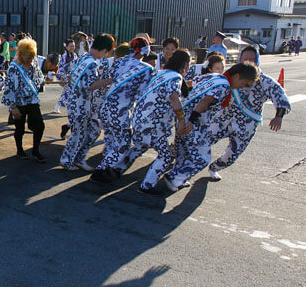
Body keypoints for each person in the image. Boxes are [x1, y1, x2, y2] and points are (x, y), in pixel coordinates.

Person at [163, 62, 259, 192]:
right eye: (245, 83)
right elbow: (206, 101)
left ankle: (177, 178)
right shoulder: (224, 86)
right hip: (194, 121)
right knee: (203, 157)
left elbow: (190, 83)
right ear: (237, 76)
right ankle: (175, 178)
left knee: (183, 151)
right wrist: (191, 120)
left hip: (182, 115)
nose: (243, 87)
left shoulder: (214, 77)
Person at [207, 46, 290, 180]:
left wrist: (278, 116)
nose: (249, 62)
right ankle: (185, 169)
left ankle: (214, 168)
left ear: (257, 61)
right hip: (224, 118)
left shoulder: (265, 81)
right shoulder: (232, 74)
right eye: (245, 59)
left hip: (247, 125)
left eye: (252, 59)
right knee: (202, 142)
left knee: (231, 157)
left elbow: (280, 97)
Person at [123, 50, 193, 195]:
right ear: (185, 64)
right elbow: (175, 99)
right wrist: (181, 122)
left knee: (139, 146)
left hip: (139, 119)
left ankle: (116, 168)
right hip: (153, 124)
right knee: (166, 156)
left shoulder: (161, 73)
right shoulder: (175, 77)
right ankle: (146, 186)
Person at [91, 37, 154, 184]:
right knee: (123, 144)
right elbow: (141, 94)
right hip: (121, 110)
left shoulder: (119, 61)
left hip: (107, 106)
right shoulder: (146, 69)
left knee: (111, 139)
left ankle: (108, 167)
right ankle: (101, 170)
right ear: (145, 51)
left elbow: (110, 79)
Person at [60, 33, 115, 171]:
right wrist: (109, 81)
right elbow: (90, 85)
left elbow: (65, 69)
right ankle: (67, 160)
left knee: (94, 129)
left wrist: (67, 82)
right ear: (104, 50)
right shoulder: (91, 63)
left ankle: (78, 158)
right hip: (81, 104)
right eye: (106, 52)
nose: (105, 56)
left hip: (79, 102)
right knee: (78, 134)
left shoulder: (84, 57)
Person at [2, 37, 46, 162]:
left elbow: (40, 77)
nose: (30, 59)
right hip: (18, 102)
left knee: (40, 125)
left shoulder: (34, 63)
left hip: (32, 100)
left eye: (32, 56)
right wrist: (13, 107)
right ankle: (19, 150)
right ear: (20, 54)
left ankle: (36, 150)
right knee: (19, 128)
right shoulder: (13, 68)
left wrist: (40, 82)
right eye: (28, 57)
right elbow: (9, 89)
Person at [55, 38, 77, 115]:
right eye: (70, 46)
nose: (72, 48)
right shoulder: (64, 56)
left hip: (72, 76)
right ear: (66, 47)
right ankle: (68, 108)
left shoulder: (74, 55)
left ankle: (58, 105)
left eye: (73, 46)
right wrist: (61, 78)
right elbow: (61, 68)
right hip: (64, 76)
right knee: (69, 91)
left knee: (68, 92)